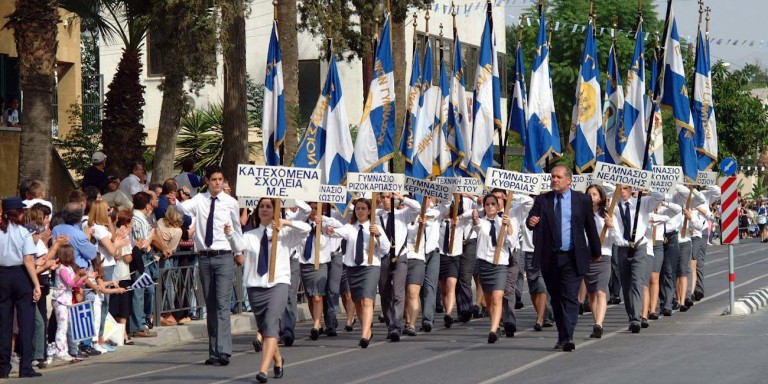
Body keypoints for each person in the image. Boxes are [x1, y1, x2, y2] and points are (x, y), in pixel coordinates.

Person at [226, 197, 310, 383]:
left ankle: (263, 370)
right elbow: (238, 246)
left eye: (269, 206)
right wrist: (230, 234)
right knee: (266, 329)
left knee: (272, 325)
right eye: (262, 206)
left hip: (278, 284)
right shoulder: (251, 234)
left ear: (275, 210)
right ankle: (278, 359)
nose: (264, 209)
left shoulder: (286, 233)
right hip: (256, 286)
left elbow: (307, 229)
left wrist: (286, 221)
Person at [526, 166, 600, 352]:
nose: (554, 180)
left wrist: (596, 251)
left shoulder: (581, 199)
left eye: (559, 177)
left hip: (573, 256)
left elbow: (590, 226)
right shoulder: (543, 200)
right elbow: (531, 219)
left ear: (569, 180)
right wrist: (531, 222)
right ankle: (562, 334)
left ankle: (568, 336)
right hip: (550, 257)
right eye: (552, 177)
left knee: (570, 297)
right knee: (557, 299)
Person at [176, 165, 241, 366]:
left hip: (224, 256)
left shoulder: (230, 202)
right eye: (213, 179)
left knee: (222, 304)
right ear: (207, 181)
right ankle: (213, 351)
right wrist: (174, 201)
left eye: (220, 179)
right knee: (210, 305)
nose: (217, 183)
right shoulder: (200, 199)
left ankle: (224, 351)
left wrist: (238, 252)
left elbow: (237, 228)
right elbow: (183, 209)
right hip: (204, 257)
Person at [326, 198, 389, 348]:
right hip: (353, 268)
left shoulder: (375, 227)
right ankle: (366, 329)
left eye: (363, 208)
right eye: (358, 208)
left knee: (367, 300)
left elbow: (385, 249)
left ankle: (364, 335)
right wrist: (329, 230)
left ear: (369, 211)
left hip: (370, 266)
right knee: (358, 302)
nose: (360, 211)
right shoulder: (350, 228)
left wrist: (378, 235)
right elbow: (336, 233)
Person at [611, 185, 664, 332]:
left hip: (640, 248)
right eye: (620, 188)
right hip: (623, 247)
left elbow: (660, 197)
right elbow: (614, 228)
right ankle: (631, 315)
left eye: (626, 188)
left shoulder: (642, 202)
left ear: (631, 189)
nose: (622, 191)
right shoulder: (614, 207)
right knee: (626, 285)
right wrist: (622, 242)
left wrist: (647, 187)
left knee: (637, 282)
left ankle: (636, 318)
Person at [0, 198, 43, 378]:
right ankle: (26, 366)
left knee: (4, 323)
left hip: (2, 275)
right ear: (18, 212)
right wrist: (35, 284)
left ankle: (3, 367)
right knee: (26, 322)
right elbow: (28, 260)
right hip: (20, 275)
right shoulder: (24, 233)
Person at [472, 193, 519, 343]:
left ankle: (492, 330)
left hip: (500, 264)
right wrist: (474, 217)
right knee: (489, 299)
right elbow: (476, 226)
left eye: (493, 204)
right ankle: (496, 324)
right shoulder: (481, 222)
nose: (490, 206)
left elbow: (511, 243)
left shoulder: (503, 221)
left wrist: (509, 225)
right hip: (484, 264)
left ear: (498, 206)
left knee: (497, 297)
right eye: (487, 204)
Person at [377, 192, 420, 342]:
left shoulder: (403, 214)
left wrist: (403, 198)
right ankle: (390, 322)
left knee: (398, 292)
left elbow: (417, 208)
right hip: (383, 257)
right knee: (384, 292)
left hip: (400, 256)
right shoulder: (377, 216)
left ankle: (396, 326)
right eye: (383, 197)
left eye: (389, 197)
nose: (386, 200)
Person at [296, 202, 338, 340]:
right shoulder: (303, 224)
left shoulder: (325, 224)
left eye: (316, 208)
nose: (314, 211)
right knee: (310, 296)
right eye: (312, 208)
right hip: (305, 264)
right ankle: (317, 322)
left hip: (320, 264)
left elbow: (340, 226)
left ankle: (315, 324)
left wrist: (324, 220)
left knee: (317, 296)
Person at [50, 244, 90, 362]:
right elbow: (70, 283)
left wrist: (83, 278)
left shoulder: (69, 268)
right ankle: (60, 351)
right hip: (60, 300)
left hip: (67, 299)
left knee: (67, 326)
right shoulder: (62, 269)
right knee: (62, 327)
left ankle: (65, 349)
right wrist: (79, 276)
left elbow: (76, 284)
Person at [51, 202, 97, 269]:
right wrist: (88, 238)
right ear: (80, 218)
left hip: (59, 269)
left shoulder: (56, 229)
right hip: (76, 272)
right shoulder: (80, 235)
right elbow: (92, 255)